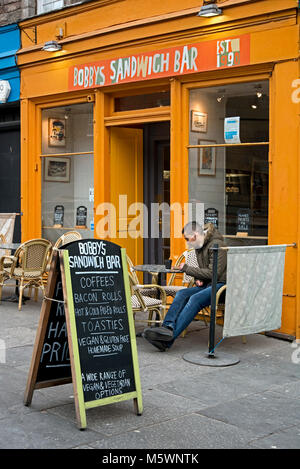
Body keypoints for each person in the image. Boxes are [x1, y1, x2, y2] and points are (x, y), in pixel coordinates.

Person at [143, 221, 227, 351]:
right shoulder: (199, 247)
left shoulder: (217, 245)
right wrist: (199, 279)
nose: (187, 242)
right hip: (209, 285)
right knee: (182, 293)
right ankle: (167, 328)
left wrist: (187, 268)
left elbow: (214, 273)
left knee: (194, 299)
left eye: (187, 239)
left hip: (221, 287)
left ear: (195, 234)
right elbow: (205, 272)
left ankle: (166, 341)